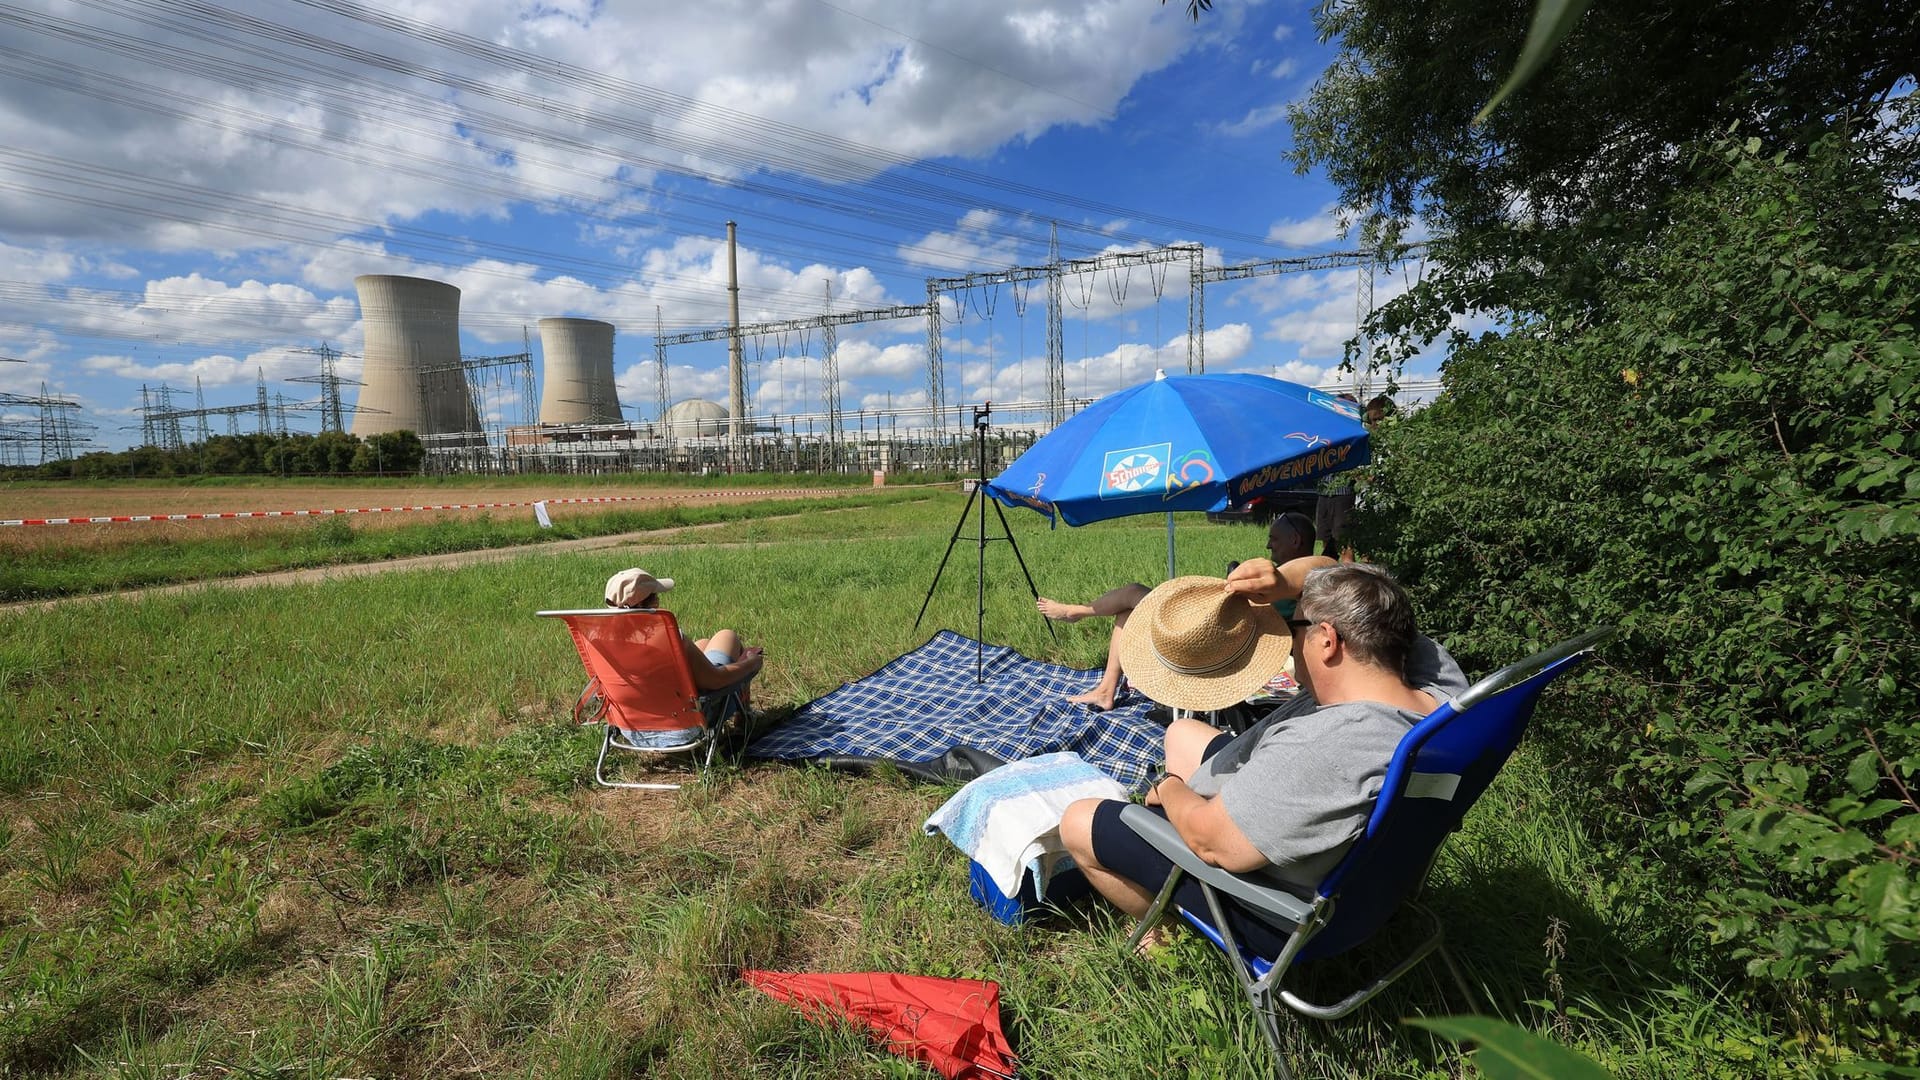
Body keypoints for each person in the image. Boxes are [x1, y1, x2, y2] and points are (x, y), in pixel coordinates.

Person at [1058, 562, 1455, 954]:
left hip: (1278, 909)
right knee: (1181, 733)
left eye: (1296, 628)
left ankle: (1166, 930)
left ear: (1328, 641)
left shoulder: (1322, 749)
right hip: (1364, 876)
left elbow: (1211, 842)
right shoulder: (1441, 685)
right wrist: (1282, 582)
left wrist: (1168, 788)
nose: (1290, 640)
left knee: (1079, 821)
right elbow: (1343, 572)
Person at [1035, 513, 1315, 710]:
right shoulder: (1277, 578)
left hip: (1238, 641)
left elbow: (1320, 567)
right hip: (1230, 631)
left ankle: (1079, 612)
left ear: (1295, 540)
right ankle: (1106, 689)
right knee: (1127, 612)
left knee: (1133, 593)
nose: (1268, 545)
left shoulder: (1302, 587)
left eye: (1274, 539)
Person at [603, 567, 765, 744]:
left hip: (631, 728)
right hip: (684, 726)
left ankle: (744, 713)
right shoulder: (670, 639)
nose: (658, 601)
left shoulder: (600, 643)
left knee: (703, 643)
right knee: (727, 635)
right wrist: (750, 663)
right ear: (650, 605)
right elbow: (715, 681)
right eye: (656, 597)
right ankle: (744, 715)